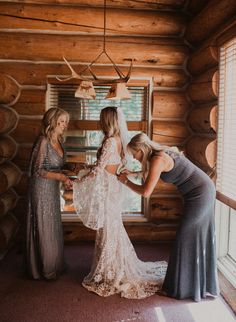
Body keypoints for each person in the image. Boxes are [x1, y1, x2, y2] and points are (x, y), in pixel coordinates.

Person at [73, 107, 167, 299]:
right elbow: (111, 166)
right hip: (113, 185)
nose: (99, 122)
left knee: (109, 228)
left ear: (106, 121)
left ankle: (110, 272)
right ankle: (114, 266)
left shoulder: (109, 141)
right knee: (113, 227)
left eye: (101, 119)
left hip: (107, 189)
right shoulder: (120, 140)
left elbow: (100, 169)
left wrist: (80, 180)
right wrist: (88, 167)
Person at [118, 132, 219, 302]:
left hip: (201, 193)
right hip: (197, 192)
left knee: (184, 237)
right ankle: (196, 285)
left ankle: (179, 288)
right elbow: (149, 174)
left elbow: (146, 192)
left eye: (134, 154)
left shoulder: (157, 160)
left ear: (141, 150)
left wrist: (125, 181)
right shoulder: (157, 155)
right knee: (192, 237)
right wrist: (131, 174)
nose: (134, 158)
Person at [25, 107, 72, 280]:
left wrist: (70, 171)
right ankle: (42, 267)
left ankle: (54, 264)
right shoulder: (43, 141)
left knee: (52, 223)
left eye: (66, 122)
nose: (65, 125)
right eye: (62, 122)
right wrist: (60, 176)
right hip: (40, 187)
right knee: (43, 224)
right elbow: (37, 170)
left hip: (52, 187)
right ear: (52, 122)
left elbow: (58, 166)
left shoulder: (59, 140)